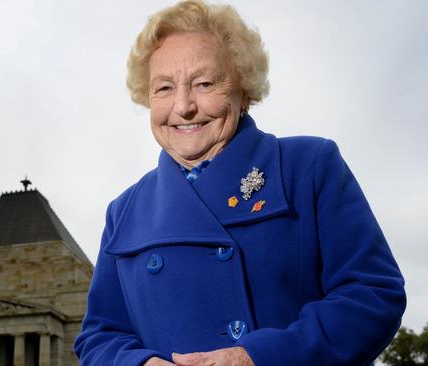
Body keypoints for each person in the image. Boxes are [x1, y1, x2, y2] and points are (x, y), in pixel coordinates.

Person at [73, 1, 406, 365]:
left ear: (244, 89)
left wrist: (256, 357)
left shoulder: (309, 166)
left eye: (204, 83)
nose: (183, 106)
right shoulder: (123, 211)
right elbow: (99, 336)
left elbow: (374, 295)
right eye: (164, 88)